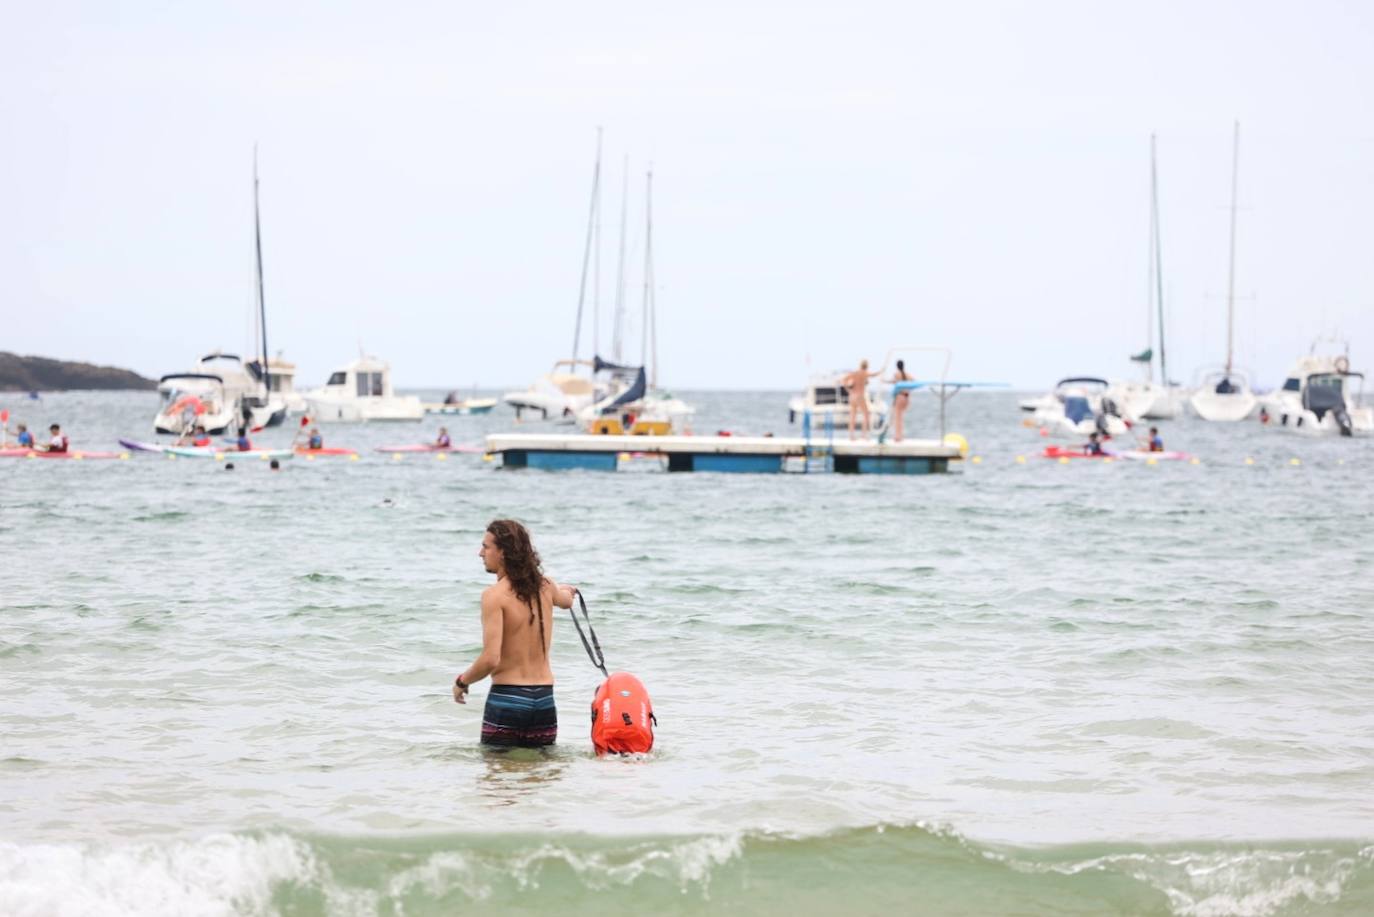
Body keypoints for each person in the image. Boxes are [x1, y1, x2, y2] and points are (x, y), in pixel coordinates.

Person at [453, 519, 576, 748]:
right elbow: (566, 601)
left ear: (503, 552)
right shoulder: (547, 586)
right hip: (544, 701)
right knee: (540, 768)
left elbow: (490, 659)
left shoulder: (494, 596)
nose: (480, 553)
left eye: (486, 547)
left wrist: (462, 681)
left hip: (508, 700)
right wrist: (568, 591)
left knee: (499, 769)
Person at [842, 359, 881, 440]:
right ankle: (864, 435)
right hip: (859, 396)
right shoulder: (864, 373)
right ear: (867, 366)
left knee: (852, 416)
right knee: (866, 415)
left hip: (852, 396)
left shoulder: (855, 373)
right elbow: (874, 375)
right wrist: (881, 371)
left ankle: (851, 436)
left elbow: (844, 380)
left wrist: (848, 389)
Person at [884, 359, 913, 443]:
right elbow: (914, 381)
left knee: (897, 418)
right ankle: (901, 436)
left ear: (897, 366)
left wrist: (883, 381)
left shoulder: (897, 374)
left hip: (900, 397)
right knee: (901, 418)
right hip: (906, 398)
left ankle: (897, 437)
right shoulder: (907, 375)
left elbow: (892, 381)